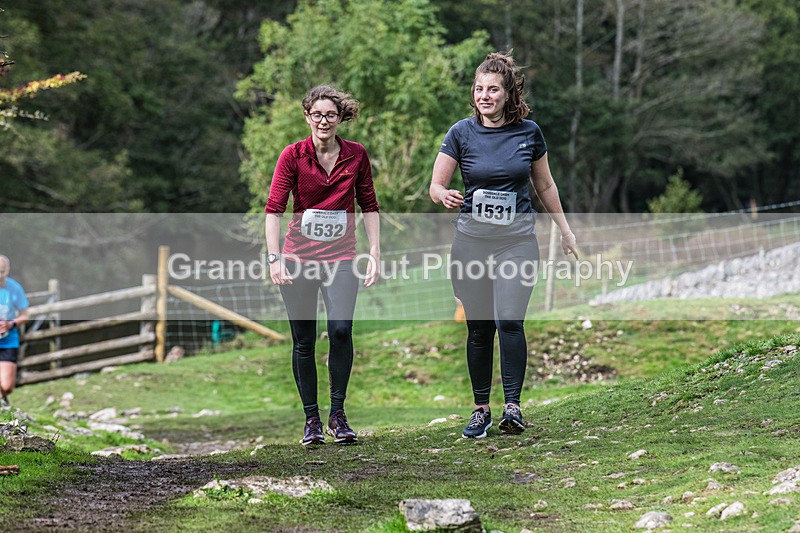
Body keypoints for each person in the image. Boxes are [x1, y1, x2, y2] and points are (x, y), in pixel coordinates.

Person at [429, 52, 578, 438]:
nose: (484, 95)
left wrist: (565, 230)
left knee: (509, 320)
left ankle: (513, 407)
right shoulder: (460, 132)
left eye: (493, 89)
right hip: (472, 244)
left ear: (508, 93)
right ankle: (481, 409)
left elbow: (544, 185)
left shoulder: (529, 133)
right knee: (479, 329)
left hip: (516, 242)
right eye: (479, 89)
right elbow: (435, 186)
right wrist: (444, 195)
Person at [265, 85, 380, 446]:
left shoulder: (356, 155)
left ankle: (338, 414)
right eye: (317, 114)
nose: (324, 121)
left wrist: (375, 253)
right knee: (304, 340)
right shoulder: (293, 156)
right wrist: (274, 257)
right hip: (298, 257)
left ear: (340, 117)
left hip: (342, 257)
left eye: (330, 114)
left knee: (342, 330)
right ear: (307, 117)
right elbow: (273, 209)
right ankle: (311, 420)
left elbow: (369, 205)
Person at [0, 255, 30, 410]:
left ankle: (3, 398)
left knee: (7, 386)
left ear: (7, 271)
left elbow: (25, 314)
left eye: (1, 271)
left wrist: (11, 323)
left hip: (8, 339)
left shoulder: (14, 288)